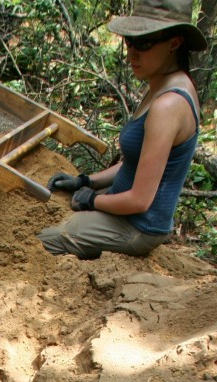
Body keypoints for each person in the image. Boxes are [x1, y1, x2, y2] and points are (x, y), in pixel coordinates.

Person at [38, 0, 207, 260]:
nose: (132, 54)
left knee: (43, 239)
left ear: (174, 43)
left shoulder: (168, 104)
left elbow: (139, 200)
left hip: (138, 227)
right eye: (130, 41)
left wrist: (91, 201)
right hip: (126, 210)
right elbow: (137, 162)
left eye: (144, 43)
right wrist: (86, 181)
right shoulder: (159, 84)